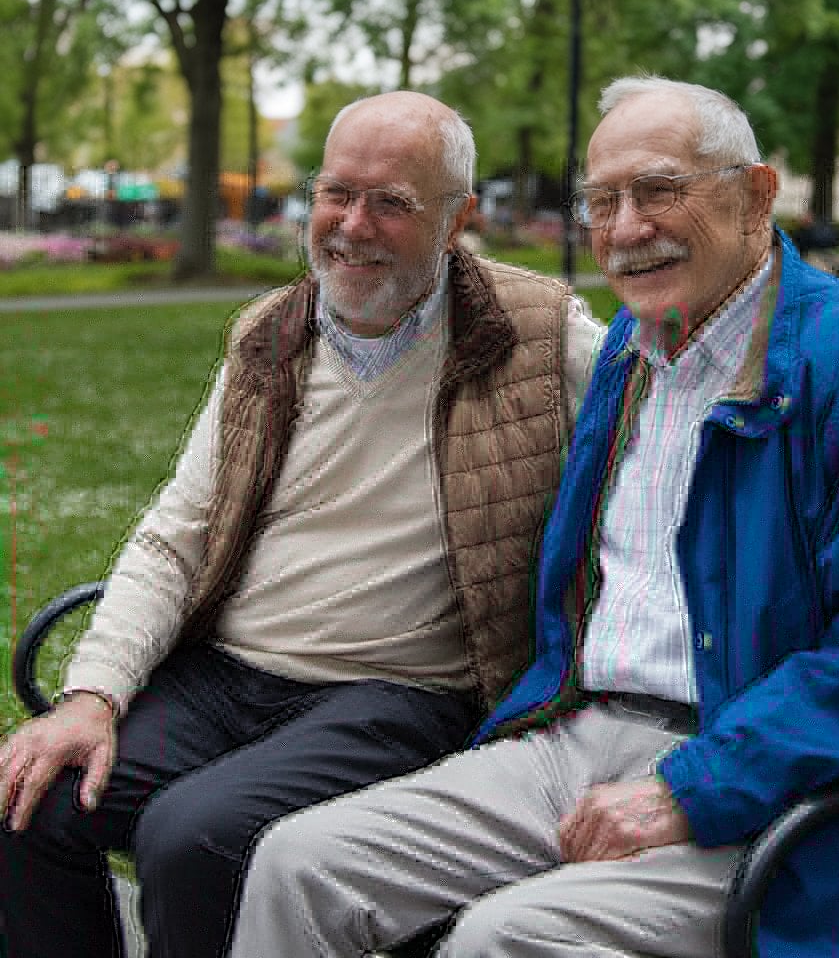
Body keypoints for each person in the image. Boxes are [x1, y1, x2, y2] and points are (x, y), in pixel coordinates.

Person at [230, 76, 839, 958]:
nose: (627, 228)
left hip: (782, 787)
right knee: (300, 862)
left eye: (660, 190)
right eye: (602, 202)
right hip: (578, 736)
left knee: (504, 940)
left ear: (754, 195)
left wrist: (694, 786)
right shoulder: (634, 354)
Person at [0, 91, 603, 958]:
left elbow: (661, 447)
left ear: (458, 217)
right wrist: (92, 697)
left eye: (391, 202)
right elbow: (180, 531)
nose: (351, 226)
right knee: (29, 799)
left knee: (192, 839)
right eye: (335, 193)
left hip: (397, 695)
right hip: (225, 677)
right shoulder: (270, 337)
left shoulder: (543, 339)